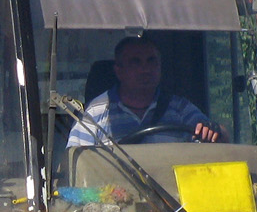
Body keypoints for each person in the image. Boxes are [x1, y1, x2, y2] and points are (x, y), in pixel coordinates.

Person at [67, 34, 226, 147]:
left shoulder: (181, 109)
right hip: (116, 194)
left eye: (151, 61)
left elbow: (221, 139)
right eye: (135, 62)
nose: (145, 70)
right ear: (119, 71)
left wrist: (213, 130)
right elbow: (77, 163)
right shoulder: (95, 114)